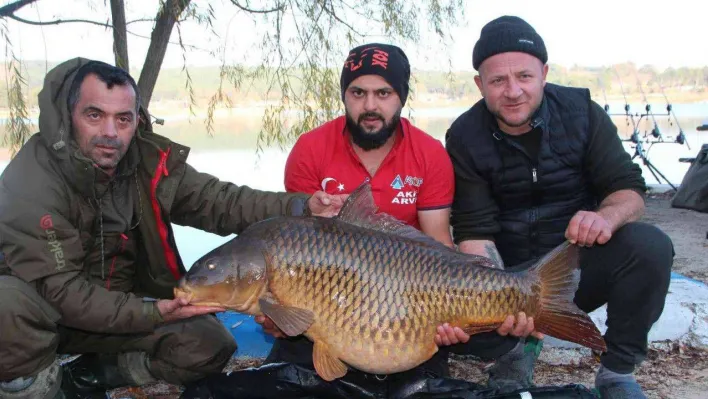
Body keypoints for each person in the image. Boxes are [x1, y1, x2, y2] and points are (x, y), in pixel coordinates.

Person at [0, 58, 346, 399]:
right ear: (70, 114)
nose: (110, 132)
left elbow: (220, 202)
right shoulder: (31, 182)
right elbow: (61, 292)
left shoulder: (146, 162)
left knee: (208, 346)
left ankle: (88, 375)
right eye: (95, 115)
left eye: (123, 119)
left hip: (121, 309)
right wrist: (152, 312)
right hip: (49, 316)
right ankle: (39, 387)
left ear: (138, 120)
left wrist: (300, 206)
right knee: (7, 306)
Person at [443, 16, 674, 398]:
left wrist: (606, 217)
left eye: (524, 76)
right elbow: (474, 232)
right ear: (479, 84)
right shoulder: (465, 135)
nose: (513, 91)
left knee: (650, 247)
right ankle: (515, 347)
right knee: (449, 324)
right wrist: (499, 300)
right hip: (507, 273)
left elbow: (628, 191)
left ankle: (616, 371)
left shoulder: (582, 113)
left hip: (574, 267)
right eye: (498, 81)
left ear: (544, 73)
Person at [255, 42, 463, 394]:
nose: (370, 106)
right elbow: (293, 252)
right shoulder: (310, 149)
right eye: (358, 93)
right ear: (344, 95)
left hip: (411, 305)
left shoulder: (429, 154)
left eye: (383, 93)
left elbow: (439, 242)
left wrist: (454, 313)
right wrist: (278, 313)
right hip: (326, 303)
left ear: (401, 97)